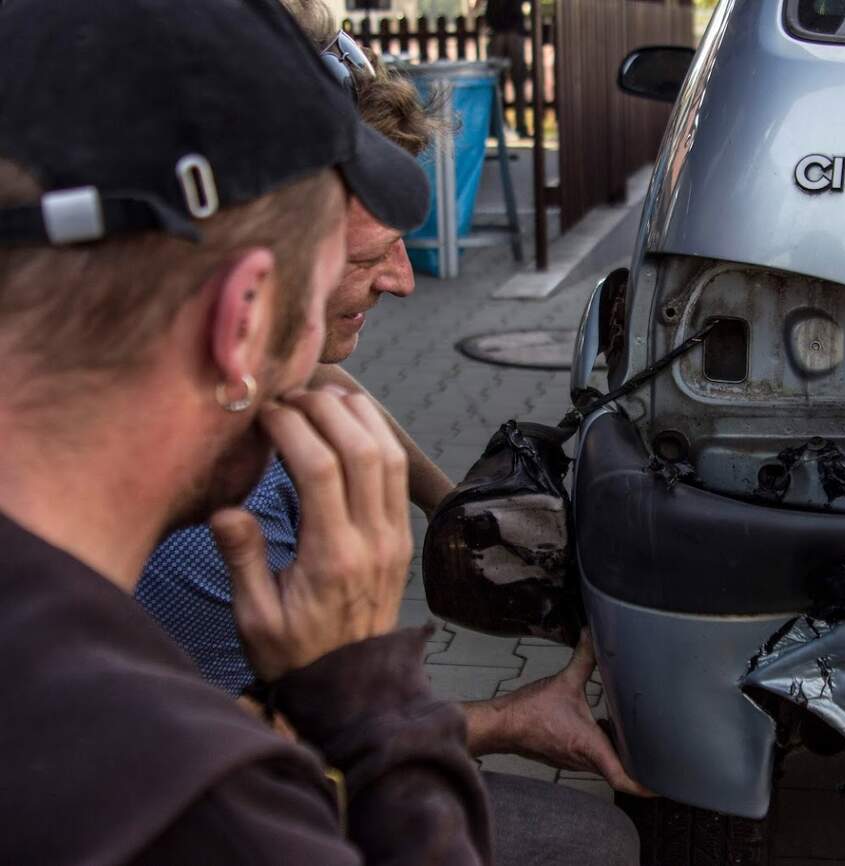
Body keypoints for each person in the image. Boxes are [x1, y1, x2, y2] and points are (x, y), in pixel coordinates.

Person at [133, 3, 645, 863]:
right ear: (251, 269)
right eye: (370, 260)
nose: (406, 283)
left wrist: (459, 508)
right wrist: (503, 719)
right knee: (590, 841)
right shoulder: (210, 520)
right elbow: (251, 762)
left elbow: (323, 378)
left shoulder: (247, 358)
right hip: (205, 804)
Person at [0, 0, 492, 863]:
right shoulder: (193, 802)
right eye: (316, 291)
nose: (402, 287)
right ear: (242, 320)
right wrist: (377, 705)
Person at [482, 0, 531, 138]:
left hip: (504, 28)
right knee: (501, 82)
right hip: (506, 28)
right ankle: (504, 124)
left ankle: (508, 125)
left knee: (504, 82)